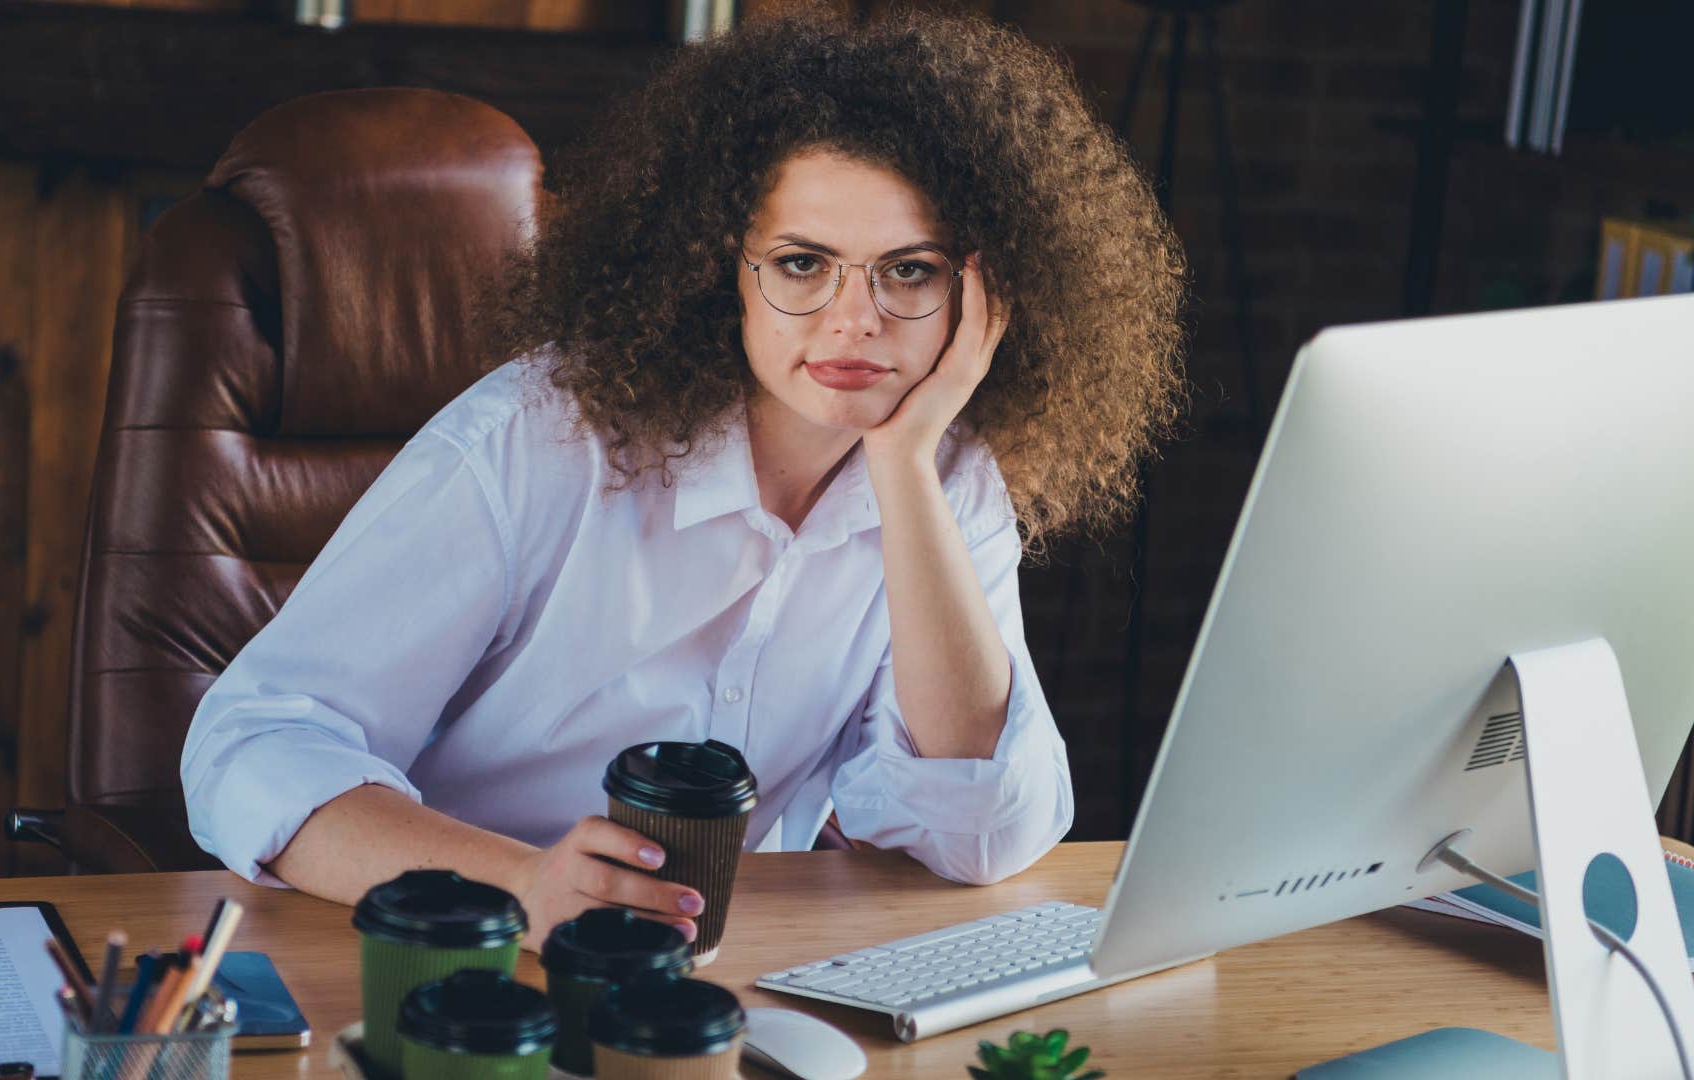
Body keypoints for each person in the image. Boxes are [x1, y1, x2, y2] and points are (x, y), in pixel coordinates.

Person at [181, 6, 1185, 951]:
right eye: (802, 265)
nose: (854, 319)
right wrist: (523, 889)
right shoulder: (539, 440)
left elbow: (981, 833)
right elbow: (253, 745)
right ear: (720, 268)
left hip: (724, 977)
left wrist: (904, 463)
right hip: (460, 963)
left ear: (987, 293)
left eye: (909, 270)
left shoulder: (946, 479)